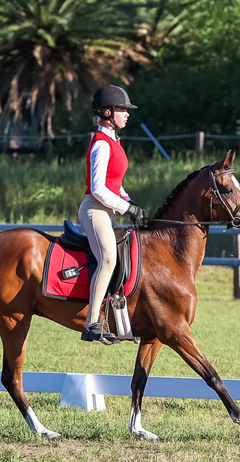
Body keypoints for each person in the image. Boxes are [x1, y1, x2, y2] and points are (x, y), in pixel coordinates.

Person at [79, 85, 145, 343]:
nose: (127, 114)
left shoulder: (114, 142)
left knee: (125, 257)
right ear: (108, 113)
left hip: (108, 209)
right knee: (108, 260)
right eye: (122, 110)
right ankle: (92, 324)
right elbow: (97, 189)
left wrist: (130, 202)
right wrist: (126, 208)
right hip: (95, 210)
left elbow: (114, 183)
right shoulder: (101, 144)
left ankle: (120, 322)